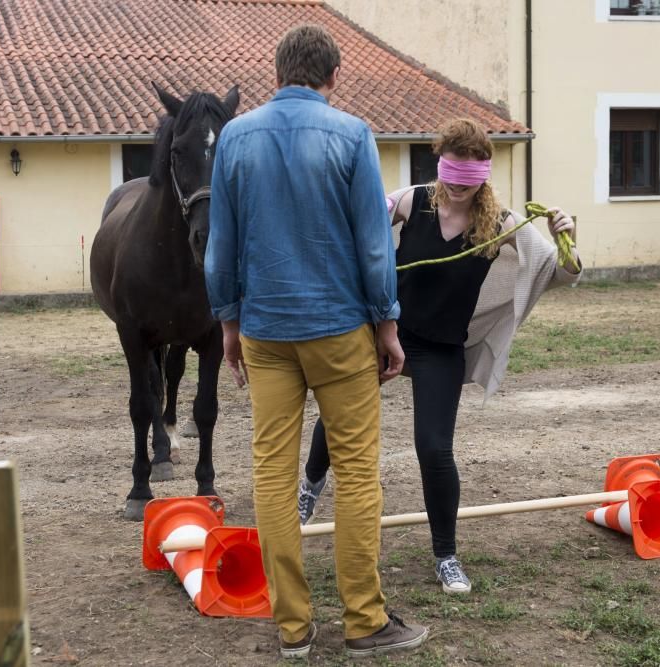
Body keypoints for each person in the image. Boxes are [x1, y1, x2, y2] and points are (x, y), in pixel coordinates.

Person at [206, 24, 427, 660]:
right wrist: (388, 323)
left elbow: (220, 246)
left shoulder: (236, 140)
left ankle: (292, 627)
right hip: (339, 329)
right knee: (357, 472)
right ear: (334, 77)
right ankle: (364, 621)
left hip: (266, 331)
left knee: (272, 472)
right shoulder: (353, 134)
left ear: (277, 74)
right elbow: (372, 242)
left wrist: (228, 324)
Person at [297, 117, 580, 596]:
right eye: (450, 179)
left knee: (434, 449)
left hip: (441, 348)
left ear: (483, 178)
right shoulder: (410, 200)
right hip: (388, 332)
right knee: (339, 411)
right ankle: (311, 483)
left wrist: (567, 235)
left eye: (467, 183)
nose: (456, 191)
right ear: (440, 167)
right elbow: (358, 237)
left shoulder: (502, 223)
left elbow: (561, 272)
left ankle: (446, 555)